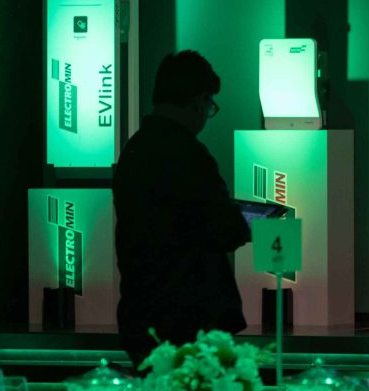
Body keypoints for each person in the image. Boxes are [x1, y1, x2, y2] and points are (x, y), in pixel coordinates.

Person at [114, 49, 267, 364]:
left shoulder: (134, 150)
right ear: (199, 101)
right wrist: (245, 221)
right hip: (188, 319)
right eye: (210, 106)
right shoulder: (188, 153)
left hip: (140, 313)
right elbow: (224, 228)